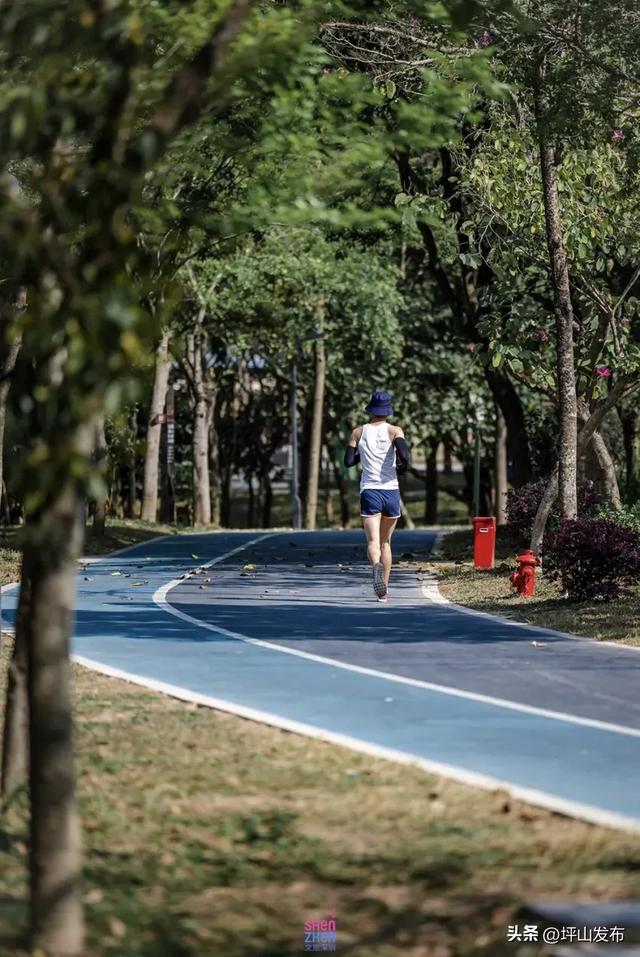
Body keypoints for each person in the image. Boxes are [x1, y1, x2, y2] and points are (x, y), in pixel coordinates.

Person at [344, 390, 410, 602]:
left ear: (370, 409)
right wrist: (402, 467)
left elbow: (348, 461)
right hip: (390, 491)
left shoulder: (358, 432)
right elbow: (405, 455)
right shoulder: (394, 431)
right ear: (388, 411)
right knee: (386, 543)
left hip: (369, 491)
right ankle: (384, 590)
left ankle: (375, 566)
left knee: (373, 542)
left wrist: (362, 454)